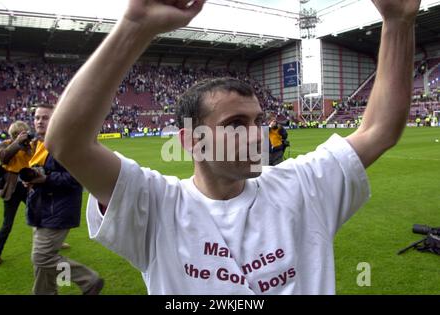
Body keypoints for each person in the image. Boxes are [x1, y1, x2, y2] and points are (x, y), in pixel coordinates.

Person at [45, 0, 421, 294]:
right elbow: (68, 142)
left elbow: (380, 129)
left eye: (259, 121)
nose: (258, 135)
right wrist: (134, 27)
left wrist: (398, 21)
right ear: (191, 140)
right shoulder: (155, 205)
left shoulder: (304, 185)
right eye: (235, 125)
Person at [24, 104, 104, 295]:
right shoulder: (39, 144)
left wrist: (45, 179)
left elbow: (77, 179)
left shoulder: (65, 145)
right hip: (40, 208)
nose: (39, 121)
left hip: (57, 210)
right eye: (37, 117)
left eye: (45, 118)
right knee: (44, 261)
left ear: (56, 120)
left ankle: (89, 280)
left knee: (41, 257)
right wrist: (32, 180)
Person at [0, 121, 33, 268]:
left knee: (41, 216)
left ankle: (52, 243)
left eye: (23, 133)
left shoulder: (29, 145)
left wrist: (26, 145)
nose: (21, 136)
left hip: (28, 186)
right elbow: (4, 157)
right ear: (13, 134)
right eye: (17, 134)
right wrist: (17, 143)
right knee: (7, 224)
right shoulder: (5, 144)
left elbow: (34, 157)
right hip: (12, 188)